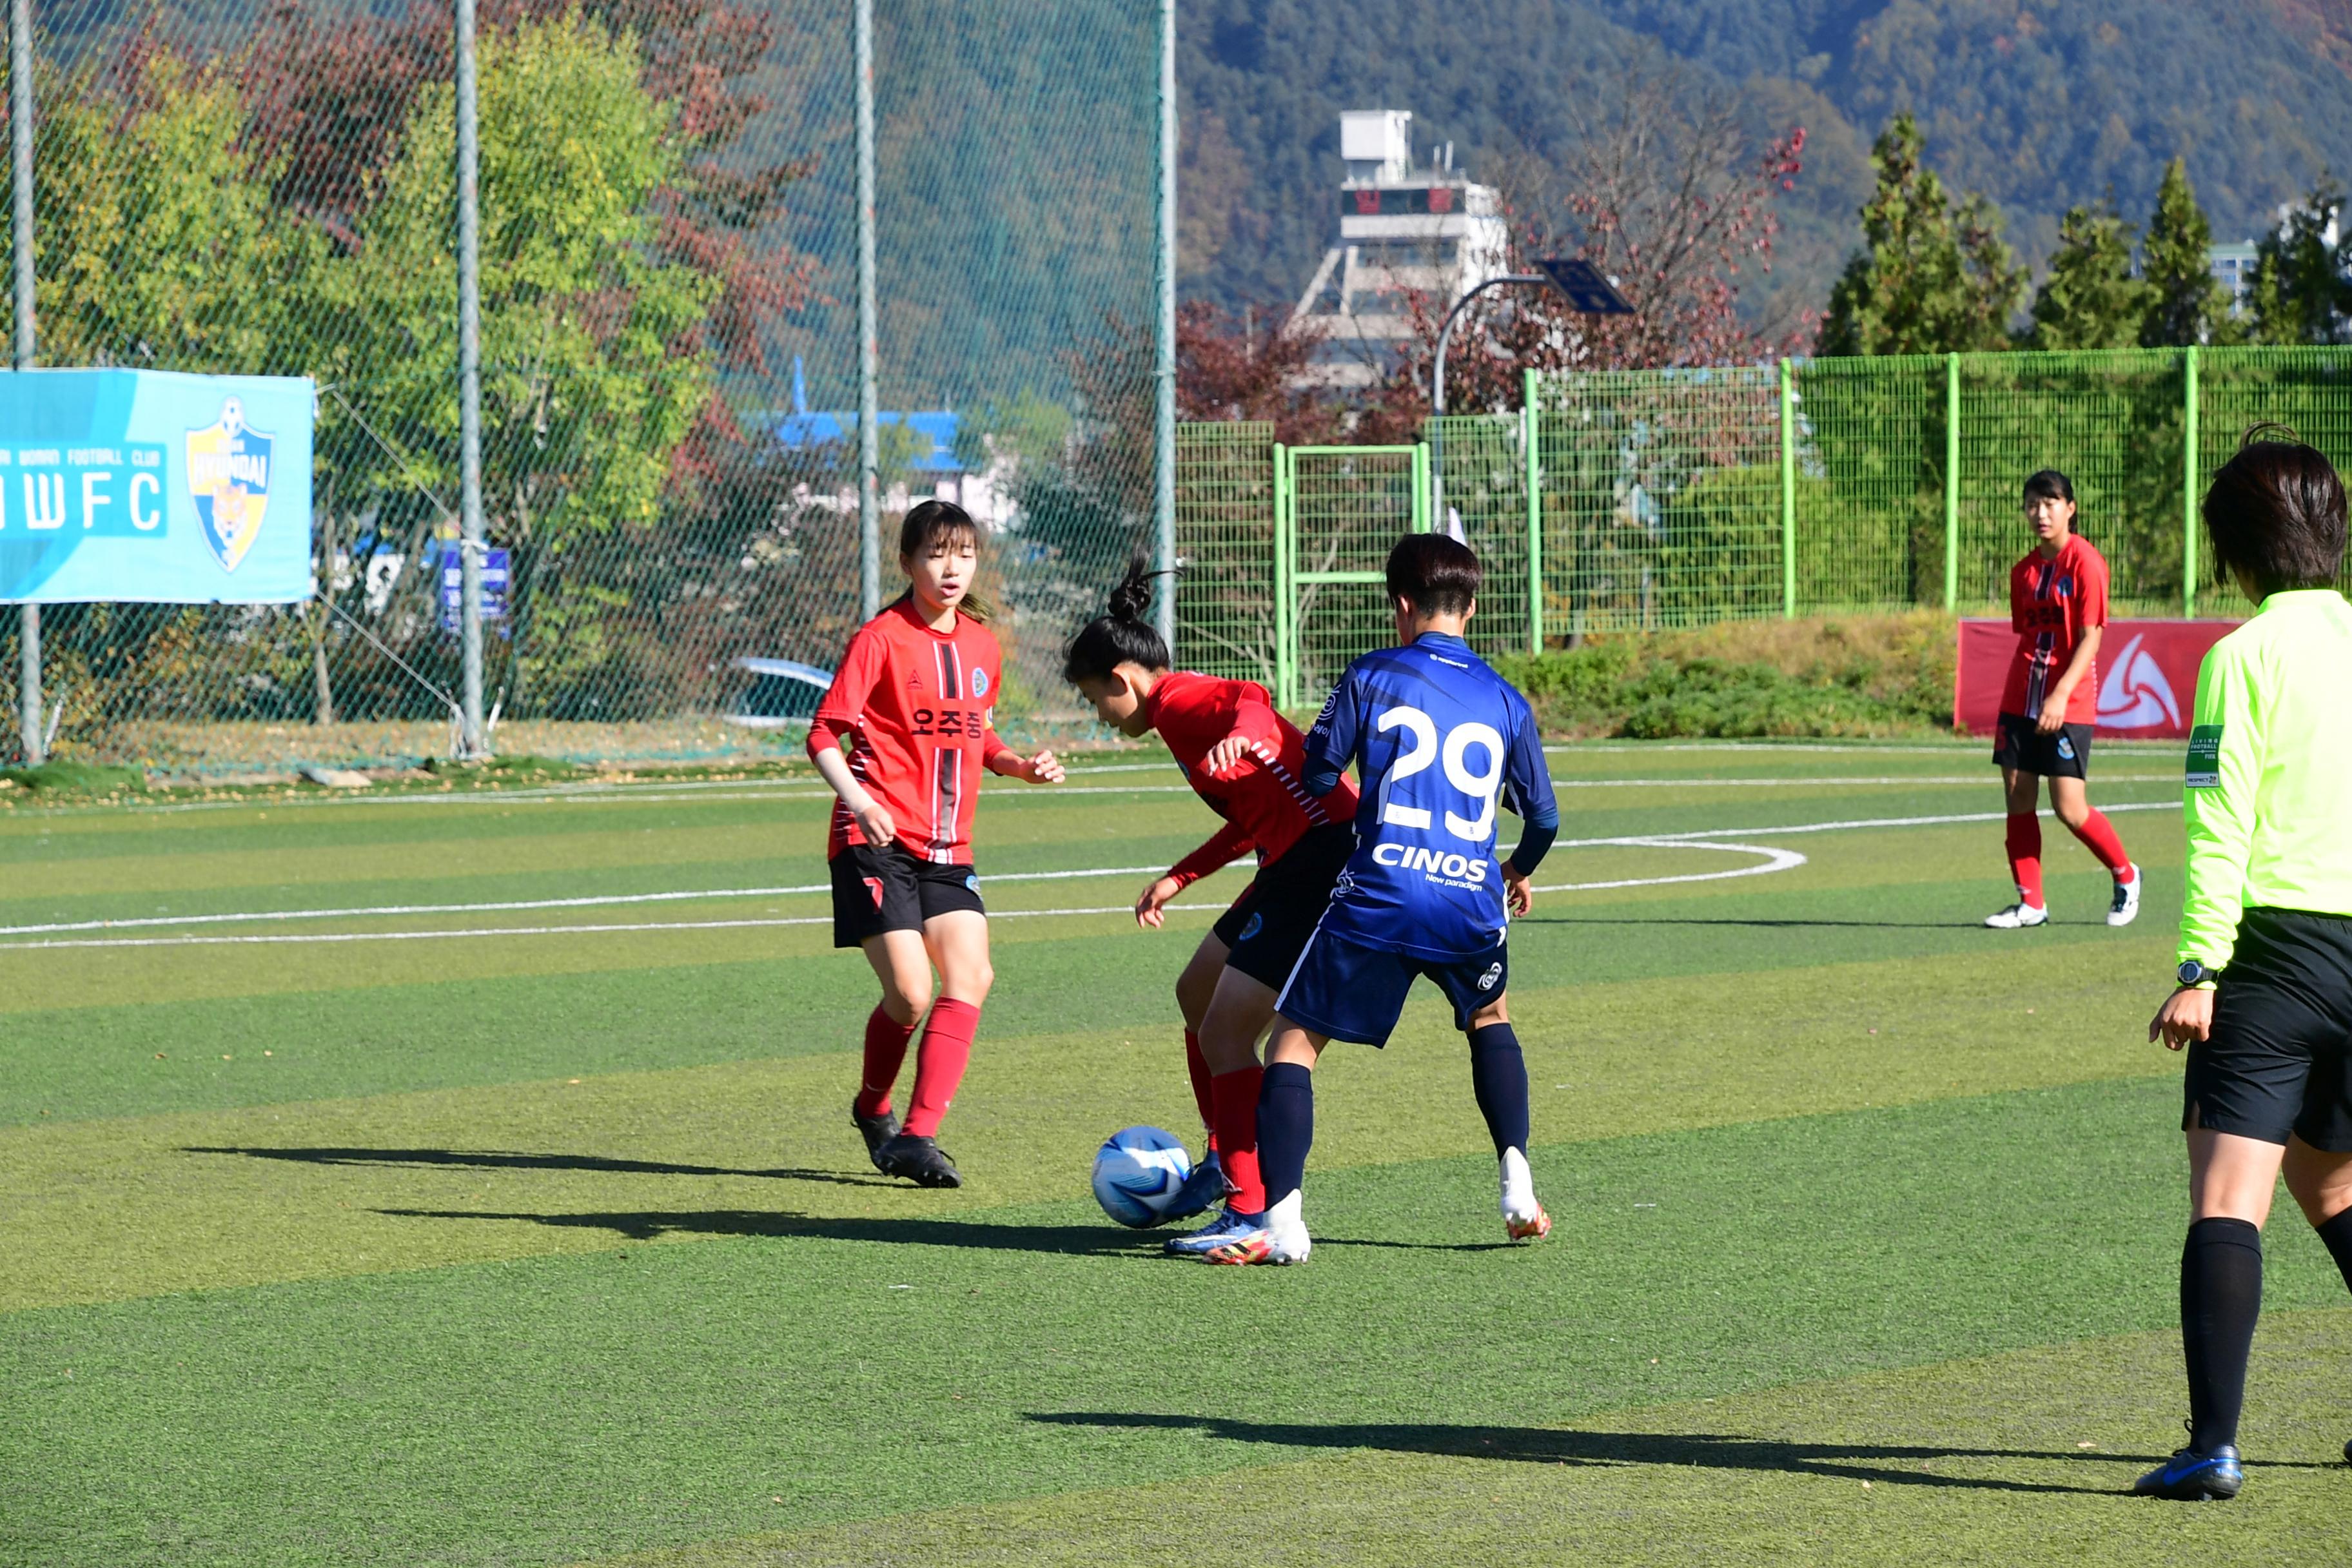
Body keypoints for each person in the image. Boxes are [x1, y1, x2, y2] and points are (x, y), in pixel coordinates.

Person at [1209, 533, 1561, 1267]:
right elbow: (1546, 817)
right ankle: (1518, 1187)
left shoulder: (1372, 672)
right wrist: (1514, 870)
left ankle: (1284, 1220)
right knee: (1489, 1017)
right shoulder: (1506, 697)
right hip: (1470, 896)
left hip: (1381, 889)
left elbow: (1317, 768)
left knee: (1293, 1045)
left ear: (1401, 606)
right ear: (1473, 605)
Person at [2141, 431, 2352, 1501]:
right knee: (2331, 1181)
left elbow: (2219, 824)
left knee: (2229, 1196)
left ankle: (2211, 1443)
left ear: (2236, 547)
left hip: (2271, 953)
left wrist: (2197, 967)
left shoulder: (2241, 656)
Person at [1064, 559, 1362, 1257]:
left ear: (1122, 681)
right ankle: (1227, 1158)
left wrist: (1248, 733)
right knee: (1197, 992)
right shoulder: (1172, 716)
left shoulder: (1178, 703)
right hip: (1294, 853)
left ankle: (1251, 1206)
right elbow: (1251, 811)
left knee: (1227, 1034)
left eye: (1093, 700)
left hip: (1319, 855)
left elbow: (1250, 700)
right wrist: (1180, 876)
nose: (1100, 717)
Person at [808, 500, 1064, 1188]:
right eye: (936, 553)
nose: (952, 567)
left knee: (973, 977)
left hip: (949, 846)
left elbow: (979, 734)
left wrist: (1019, 764)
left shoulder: (982, 645)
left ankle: (916, 1136)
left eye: (965, 553)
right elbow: (823, 733)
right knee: (913, 993)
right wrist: (862, 801)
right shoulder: (881, 638)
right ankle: (873, 1109)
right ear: (907, 562)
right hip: (874, 839)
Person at [1986, 469, 2142, 930]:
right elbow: (2029, 637)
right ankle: (2031, 903)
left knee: (2069, 808)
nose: (2041, 512)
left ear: (2070, 509)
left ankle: (2127, 874)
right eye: (2033, 503)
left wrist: (2059, 695)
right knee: (2018, 797)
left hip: (2067, 701)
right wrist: (2034, 697)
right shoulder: (2023, 572)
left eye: (2051, 503)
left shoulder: (2087, 563)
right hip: (2021, 697)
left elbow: (2092, 637)